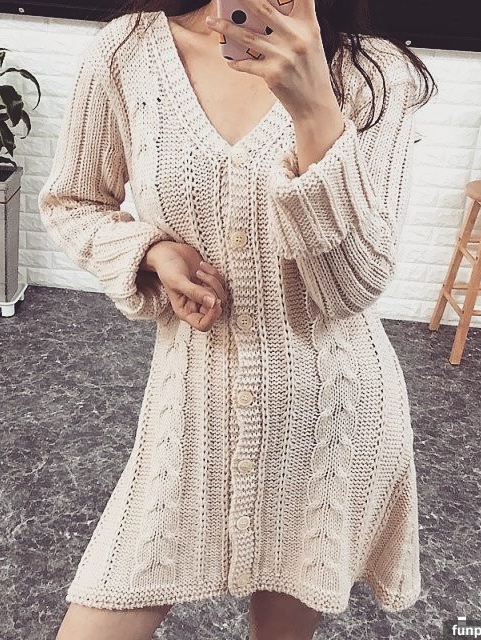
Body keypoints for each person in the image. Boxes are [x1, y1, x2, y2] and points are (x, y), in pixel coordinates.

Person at [37, 1, 437, 638]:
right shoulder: (128, 51)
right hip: (187, 416)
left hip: (328, 421)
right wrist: (151, 251)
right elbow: (72, 201)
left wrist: (314, 110)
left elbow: (351, 289)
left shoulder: (373, 74)